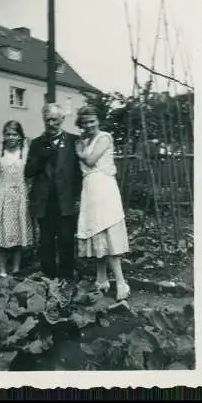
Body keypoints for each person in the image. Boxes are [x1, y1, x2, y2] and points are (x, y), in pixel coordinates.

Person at [74, 104, 130, 301]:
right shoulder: (85, 140)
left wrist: (80, 151)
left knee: (108, 232)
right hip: (90, 190)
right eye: (85, 122)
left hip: (104, 188)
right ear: (80, 124)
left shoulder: (104, 137)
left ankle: (121, 282)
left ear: (98, 120)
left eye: (92, 121)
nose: (89, 125)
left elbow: (90, 160)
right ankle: (101, 280)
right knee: (97, 234)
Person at [24, 103, 82, 283]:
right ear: (43, 120)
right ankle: (48, 275)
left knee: (66, 239)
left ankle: (66, 276)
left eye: (55, 120)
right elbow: (28, 172)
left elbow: (80, 172)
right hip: (44, 200)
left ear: (62, 120)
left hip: (65, 198)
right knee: (46, 240)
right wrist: (43, 155)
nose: (51, 124)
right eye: (48, 120)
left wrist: (78, 196)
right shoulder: (36, 143)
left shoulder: (73, 141)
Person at [0, 120, 33, 277]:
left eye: (15, 134)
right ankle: (2, 270)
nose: (11, 137)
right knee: (2, 235)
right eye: (8, 134)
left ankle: (16, 269)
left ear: (20, 136)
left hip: (20, 196)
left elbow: (29, 176)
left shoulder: (25, 153)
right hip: (4, 197)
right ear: (4, 136)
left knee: (18, 234)